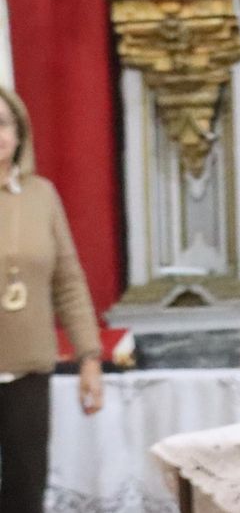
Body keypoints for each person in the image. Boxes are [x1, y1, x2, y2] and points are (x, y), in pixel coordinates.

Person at [0, 86, 104, 513]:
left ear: (19, 132)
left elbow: (69, 283)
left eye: (3, 123)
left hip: (28, 369)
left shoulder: (42, 195)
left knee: (26, 491)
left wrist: (89, 358)